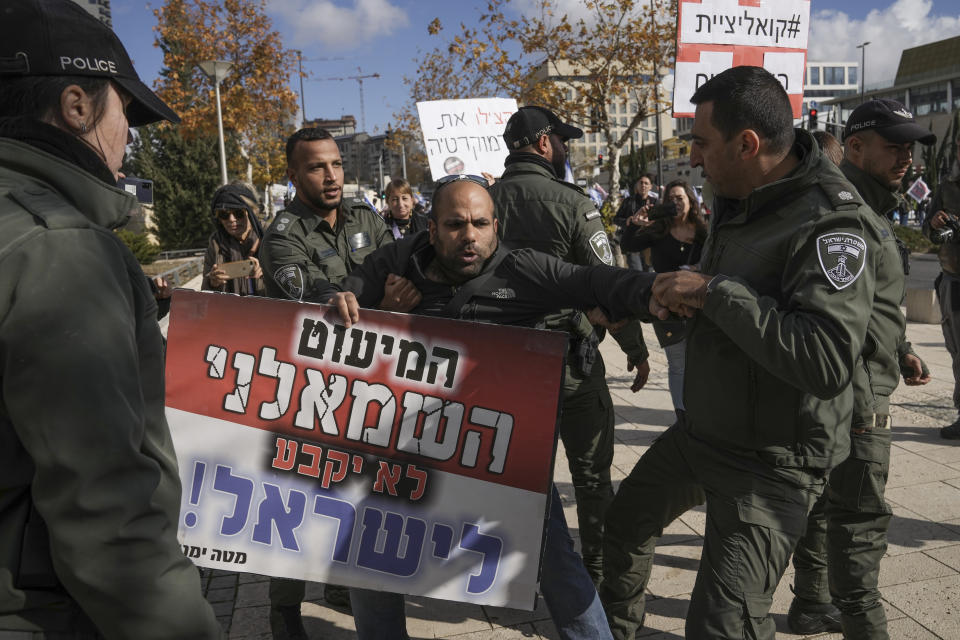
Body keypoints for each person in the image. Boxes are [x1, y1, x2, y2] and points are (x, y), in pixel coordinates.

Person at [599, 66, 882, 640]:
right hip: (705, 431)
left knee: (723, 623)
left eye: (701, 143)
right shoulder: (738, 193)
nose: (695, 158)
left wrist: (712, 292)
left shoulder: (831, 221)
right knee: (623, 525)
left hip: (772, 461)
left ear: (747, 143)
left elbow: (827, 360)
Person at [324, 175, 662, 640]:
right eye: (456, 224)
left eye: (481, 224)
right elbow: (333, 302)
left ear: (496, 226)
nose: (470, 236)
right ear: (432, 230)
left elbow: (591, 279)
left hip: (497, 452)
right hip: (405, 448)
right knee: (369, 554)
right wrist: (342, 301)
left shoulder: (521, 267)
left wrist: (656, 290)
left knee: (554, 558)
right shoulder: (393, 266)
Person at [0, 1, 222, 637]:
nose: (132, 136)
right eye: (126, 111)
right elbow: (108, 510)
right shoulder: (58, 250)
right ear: (77, 106)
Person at [258, 127, 417, 639]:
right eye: (315, 167)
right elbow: (309, 291)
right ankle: (284, 609)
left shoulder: (367, 217)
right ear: (293, 174)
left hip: (368, 384)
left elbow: (397, 268)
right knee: (294, 499)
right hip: (310, 390)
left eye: (336, 165)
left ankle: (343, 584)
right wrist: (363, 301)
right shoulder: (282, 234)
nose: (330, 176)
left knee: (358, 490)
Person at [785, 98, 934, 638]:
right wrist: (867, 396)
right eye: (895, 147)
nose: (907, 158)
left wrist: (903, 346)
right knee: (860, 521)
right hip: (855, 395)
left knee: (827, 508)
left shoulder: (866, 206)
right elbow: (831, 314)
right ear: (855, 147)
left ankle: (810, 603)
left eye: (911, 148)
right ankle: (864, 625)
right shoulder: (845, 210)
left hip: (855, 383)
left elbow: (869, 301)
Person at [488, 105, 650, 585]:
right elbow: (606, 283)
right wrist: (636, 349)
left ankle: (517, 570)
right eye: (562, 141)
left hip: (503, 370)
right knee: (591, 475)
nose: (566, 149)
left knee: (515, 478)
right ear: (543, 143)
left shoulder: (478, 205)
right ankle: (595, 571)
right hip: (569, 365)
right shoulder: (573, 203)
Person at [620, 179, 708, 413]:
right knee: (678, 364)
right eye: (670, 200)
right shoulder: (659, 230)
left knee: (701, 363)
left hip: (700, 307)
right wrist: (635, 223)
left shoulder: (703, 231)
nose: (675, 203)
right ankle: (682, 416)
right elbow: (627, 244)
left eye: (680, 198)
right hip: (666, 308)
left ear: (690, 200)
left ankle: (701, 414)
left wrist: (698, 270)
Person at [924, 143, 960, 440]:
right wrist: (935, 224)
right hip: (953, 279)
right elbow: (929, 229)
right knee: (957, 350)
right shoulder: (947, 186)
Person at [202, 181, 265, 296]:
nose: (231, 219)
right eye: (224, 215)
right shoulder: (215, 244)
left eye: (238, 213)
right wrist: (212, 282)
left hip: (267, 311)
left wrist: (268, 272)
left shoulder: (270, 238)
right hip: (231, 312)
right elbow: (205, 294)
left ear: (253, 211)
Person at [614, 174, 657, 271]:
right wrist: (627, 221)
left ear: (650, 187)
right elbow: (616, 219)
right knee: (636, 272)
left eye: (646, 183)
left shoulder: (654, 202)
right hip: (632, 242)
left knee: (649, 273)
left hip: (648, 243)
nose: (643, 185)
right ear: (637, 185)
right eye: (641, 182)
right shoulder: (628, 201)